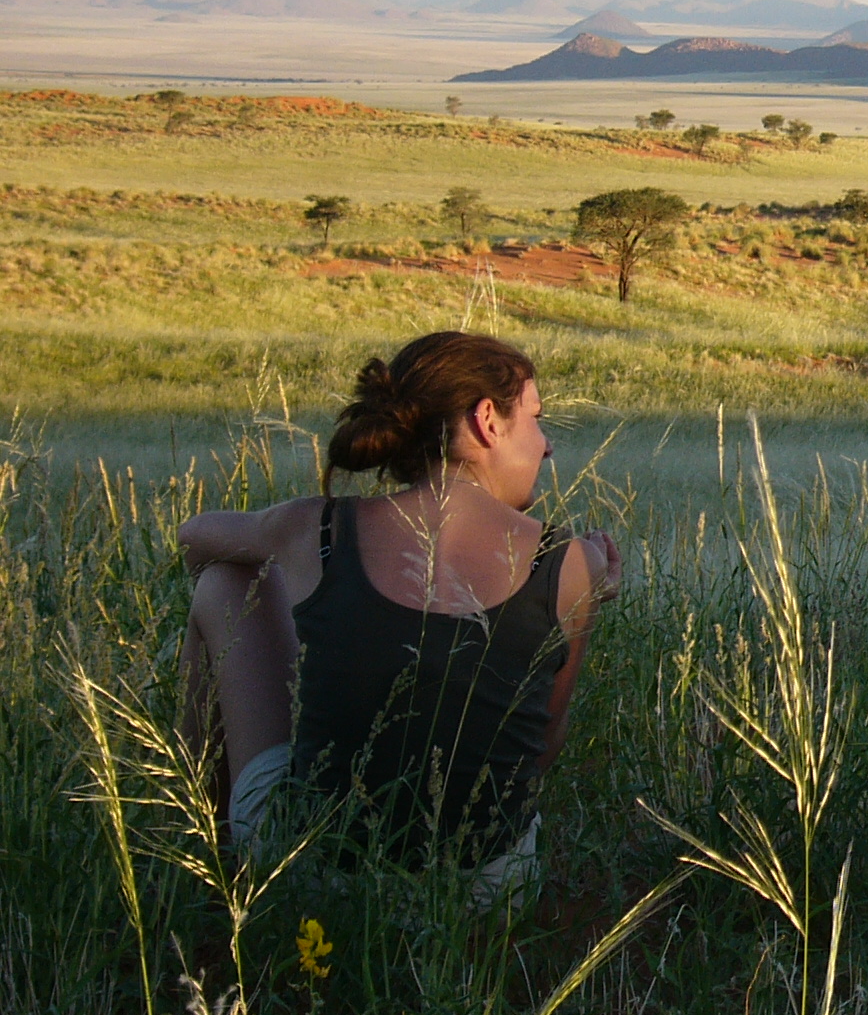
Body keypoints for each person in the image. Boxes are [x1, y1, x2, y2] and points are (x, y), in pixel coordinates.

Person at [176, 331, 619, 900]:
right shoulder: (569, 561)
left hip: (318, 878)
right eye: (536, 419)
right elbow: (539, 751)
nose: (547, 445)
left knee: (221, 583)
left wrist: (312, 593)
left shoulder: (320, 528)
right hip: (485, 891)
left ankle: (199, 845)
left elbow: (195, 539)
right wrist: (587, 592)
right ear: (487, 419)